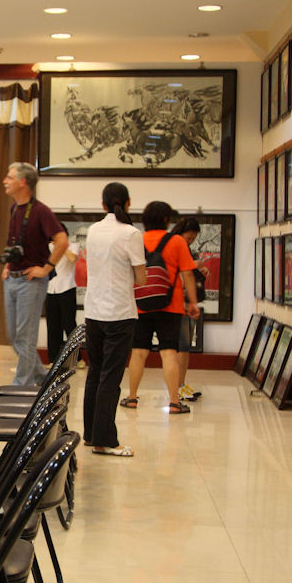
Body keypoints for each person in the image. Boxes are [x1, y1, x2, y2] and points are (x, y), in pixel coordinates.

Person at [82, 182, 146, 457]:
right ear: (128, 203)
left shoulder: (93, 230)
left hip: (93, 311)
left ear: (103, 204)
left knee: (95, 372)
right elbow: (142, 279)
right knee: (111, 377)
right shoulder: (131, 233)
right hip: (120, 313)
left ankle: (91, 434)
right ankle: (105, 440)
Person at [121, 201, 200, 414]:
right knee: (168, 352)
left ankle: (132, 397)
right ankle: (174, 402)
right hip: (170, 305)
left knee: (138, 352)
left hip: (141, 305)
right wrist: (192, 302)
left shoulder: (136, 239)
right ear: (166, 220)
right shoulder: (176, 241)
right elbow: (188, 274)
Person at [0, 162, 68, 386]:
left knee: (25, 339)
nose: (5, 181)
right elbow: (16, 243)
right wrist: (8, 265)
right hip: (12, 279)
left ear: (23, 182)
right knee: (15, 337)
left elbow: (61, 241)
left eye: (9, 178)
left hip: (31, 282)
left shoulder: (40, 211)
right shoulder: (13, 209)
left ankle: (20, 387)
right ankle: (42, 377)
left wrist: (46, 268)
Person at [171, 217, 208, 402]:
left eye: (194, 239)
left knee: (184, 346)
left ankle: (180, 384)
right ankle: (177, 388)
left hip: (184, 302)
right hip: (179, 303)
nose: (190, 241)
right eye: (189, 237)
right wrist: (196, 265)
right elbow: (178, 271)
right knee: (182, 346)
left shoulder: (181, 247)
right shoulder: (175, 246)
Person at [45, 236, 79, 364]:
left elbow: (72, 258)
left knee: (69, 324)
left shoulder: (72, 245)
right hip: (50, 289)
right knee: (52, 325)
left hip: (67, 288)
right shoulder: (47, 247)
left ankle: (77, 358)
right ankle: (53, 359)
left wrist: (61, 246)